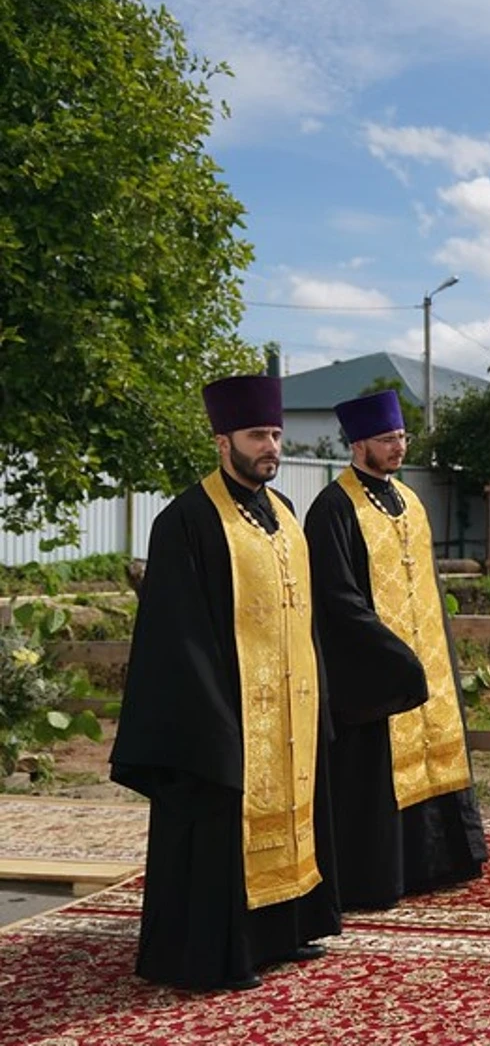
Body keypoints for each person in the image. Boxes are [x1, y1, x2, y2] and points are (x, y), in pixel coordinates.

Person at [108, 374, 341, 990]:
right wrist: (217, 724)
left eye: (276, 434)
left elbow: (305, 615)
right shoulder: (185, 521)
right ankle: (218, 955)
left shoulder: (284, 514)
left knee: (292, 821)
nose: (272, 446)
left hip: (289, 711)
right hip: (224, 719)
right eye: (258, 435)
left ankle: (282, 933)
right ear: (222, 441)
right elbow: (176, 639)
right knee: (219, 836)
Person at [304, 390, 488, 911]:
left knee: (436, 758)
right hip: (371, 675)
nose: (399, 447)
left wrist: (434, 657)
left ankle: (440, 861)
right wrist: (392, 655)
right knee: (375, 772)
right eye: (388, 439)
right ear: (359, 443)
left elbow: (426, 585)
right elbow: (335, 598)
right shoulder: (333, 508)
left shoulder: (409, 501)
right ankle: (378, 876)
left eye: (403, 437)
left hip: (424, 658)